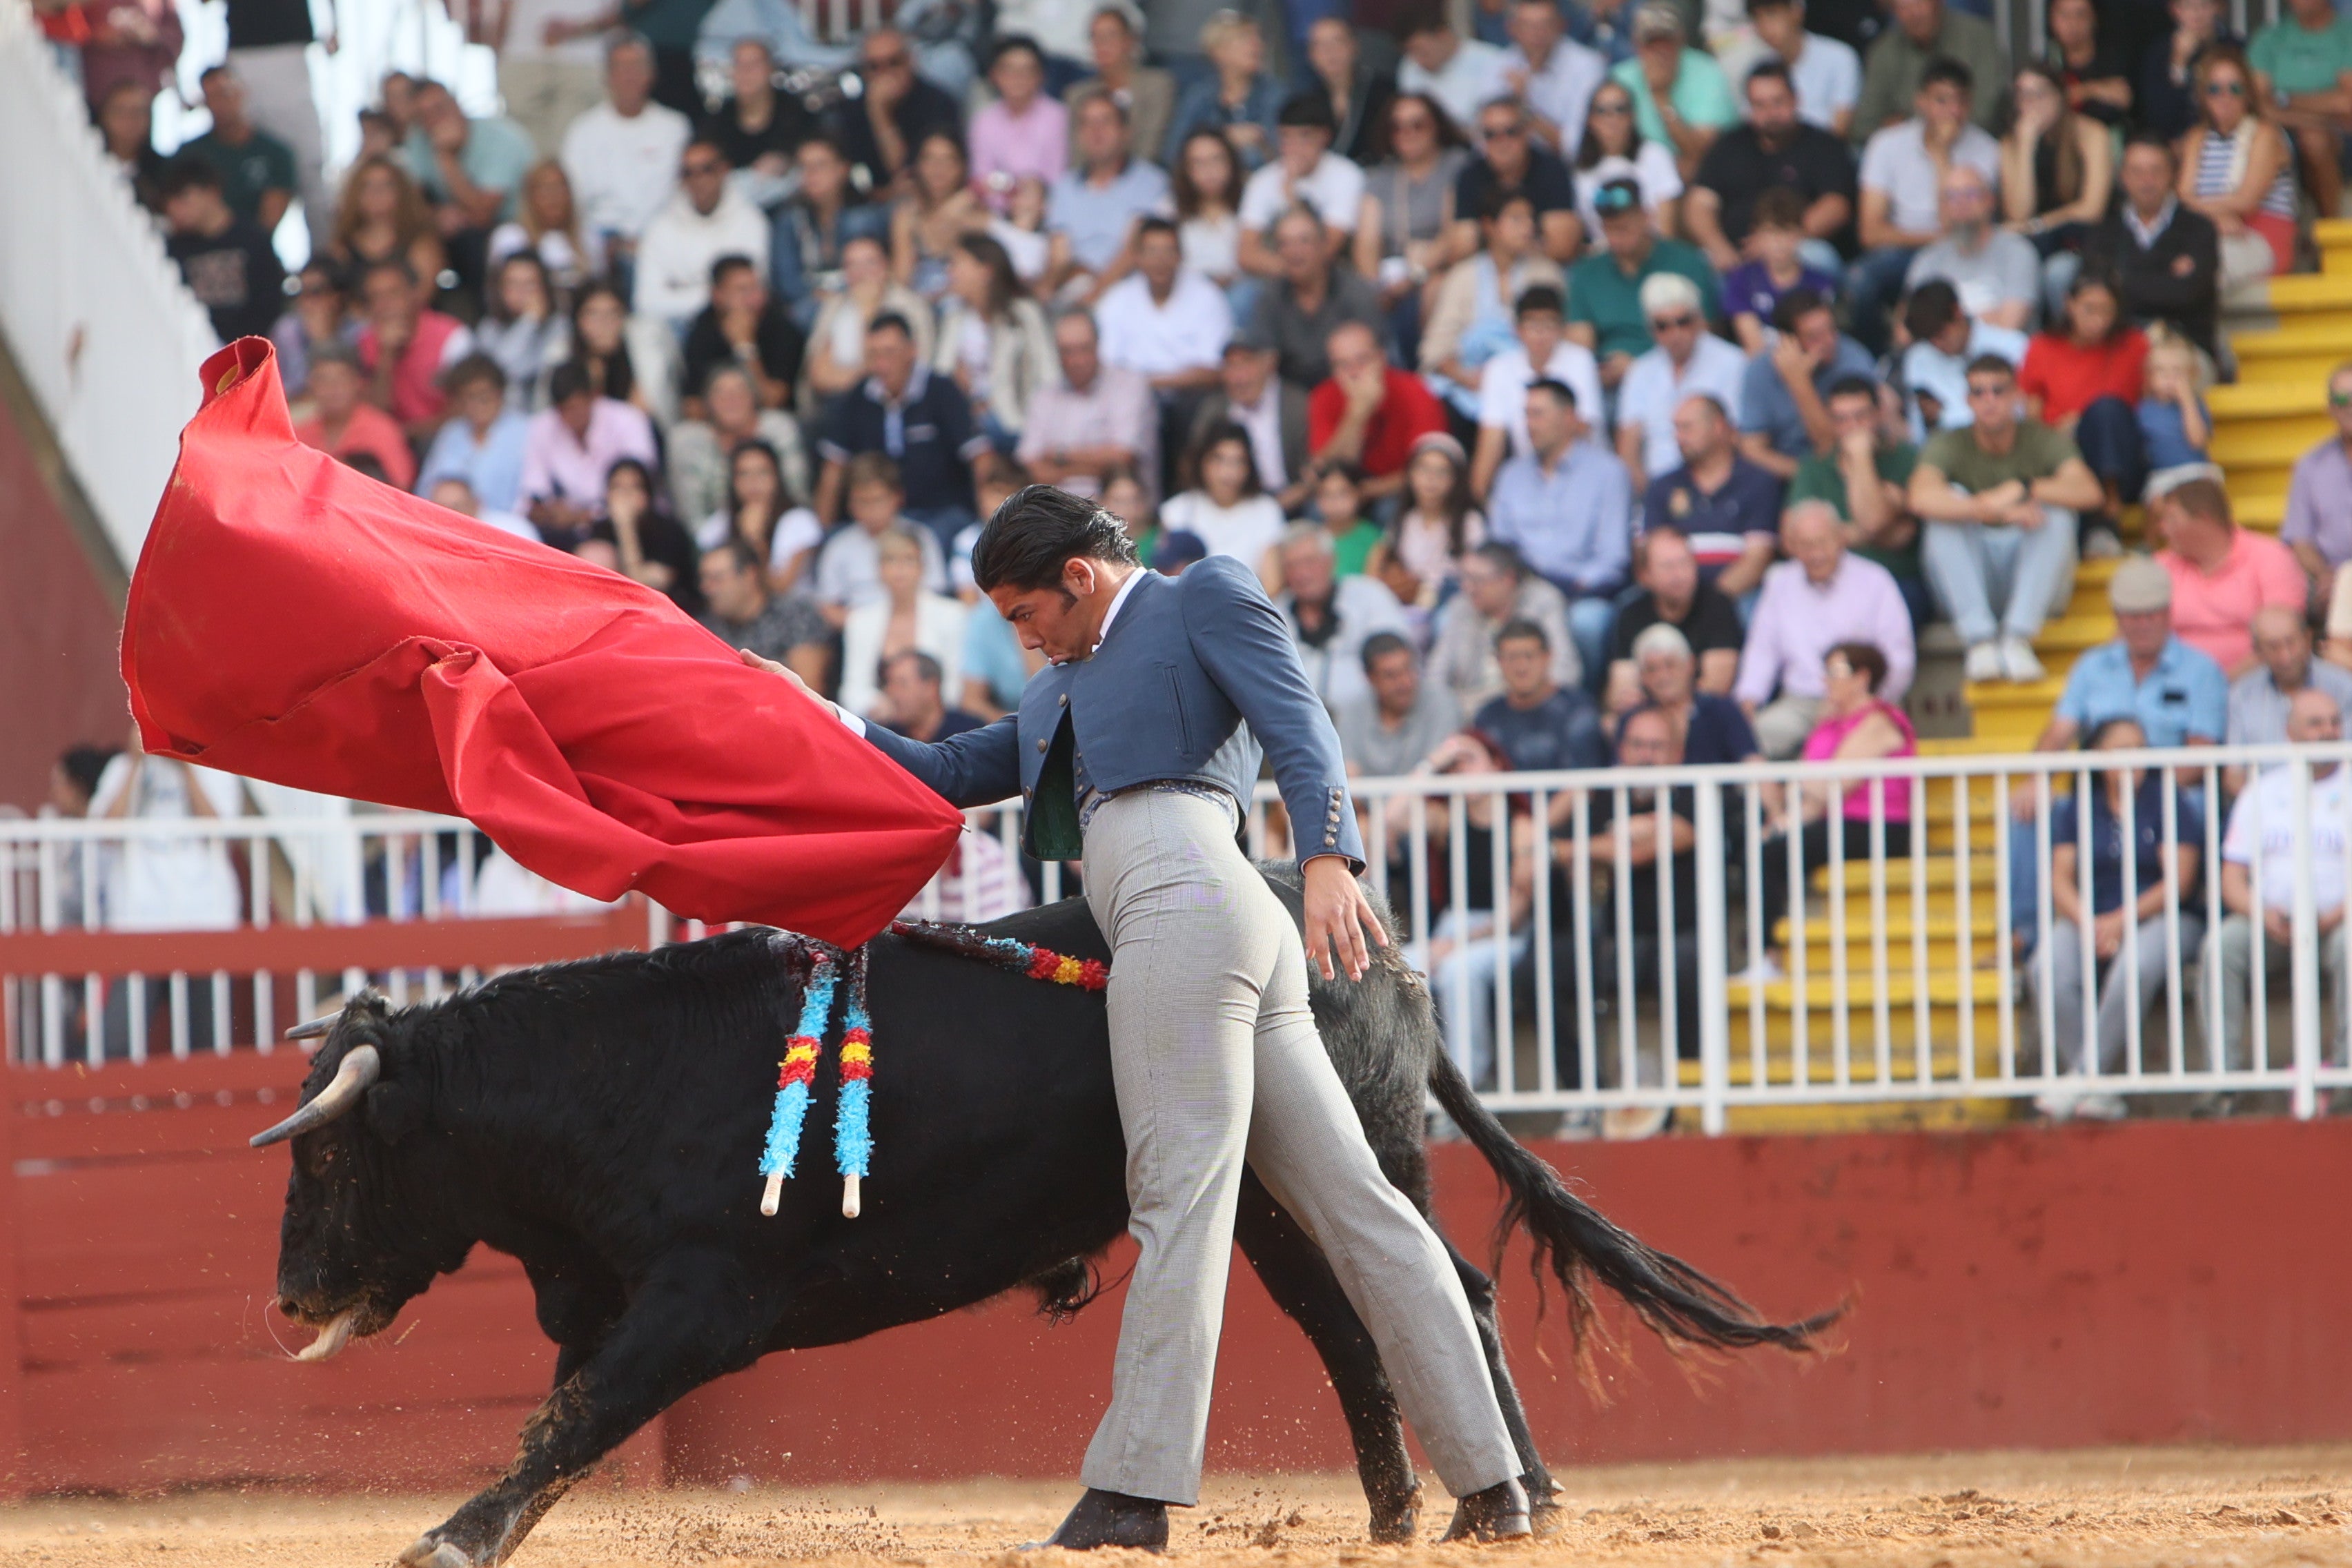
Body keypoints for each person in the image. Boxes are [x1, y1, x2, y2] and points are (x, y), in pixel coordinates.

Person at [745, 484, 1537, 1553]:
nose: (1026, 639)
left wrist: (1327, 859)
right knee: (1361, 1207)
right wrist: (815, 712)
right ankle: (1496, 1482)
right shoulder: (1058, 687)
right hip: (1209, 916)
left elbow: (1298, 719)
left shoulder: (1198, 596)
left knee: (1178, 1199)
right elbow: (942, 771)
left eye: (1028, 613)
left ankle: (1132, 1495)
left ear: (1079, 575)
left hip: (1184, 899)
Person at [2033, 716, 2206, 1120]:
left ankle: (2082, 1077)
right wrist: (2091, 923)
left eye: (2140, 750)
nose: (2134, 759)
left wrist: (2120, 921)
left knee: (2135, 967)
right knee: (2047, 968)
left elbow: (2178, 883)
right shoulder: (2079, 805)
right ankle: (2100, 1090)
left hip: (2161, 918)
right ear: (2097, 756)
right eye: (2122, 750)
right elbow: (2060, 878)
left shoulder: (2167, 800)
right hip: (2092, 918)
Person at [1909, 353, 2103, 683]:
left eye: (1998, 391)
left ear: (2016, 396)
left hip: (2034, 586)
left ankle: (2017, 638)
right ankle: (1980, 641)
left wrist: (2024, 487)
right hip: (1973, 582)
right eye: (1979, 392)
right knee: (1943, 518)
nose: (1989, 401)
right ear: (1968, 400)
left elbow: (2089, 492)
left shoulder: (2041, 437)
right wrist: (1991, 508)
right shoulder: (1949, 442)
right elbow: (1920, 497)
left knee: (2057, 514)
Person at [1746, 639, 1917, 979]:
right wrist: (1782, 823)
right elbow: (1817, 791)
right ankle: (1768, 953)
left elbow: (1828, 785)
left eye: (1836, 672)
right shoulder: (1829, 724)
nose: (1826, 680)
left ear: (1862, 678)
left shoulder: (1880, 721)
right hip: (1838, 821)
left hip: (1879, 826)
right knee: (1761, 844)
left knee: (1773, 853)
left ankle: (1770, 955)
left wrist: (1795, 795)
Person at [2202, 689, 2352, 1075]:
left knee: (2350, 945)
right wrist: (2263, 914)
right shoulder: (2262, 791)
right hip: (2270, 923)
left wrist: (2335, 915)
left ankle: (2345, 1072)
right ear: (2290, 733)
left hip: (2339, 921)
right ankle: (2224, 1077)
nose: (2329, 732)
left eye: (2335, 722)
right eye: (2316, 724)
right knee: (2221, 947)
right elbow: (2232, 878)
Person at [86, 727, 246, 1055]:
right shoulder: (121, 768)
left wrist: (186, 763)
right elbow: (106, 832)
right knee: (119, 1040)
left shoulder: (217, 768)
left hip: (203, 918)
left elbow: (220, 830)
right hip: (136, 920)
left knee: (206, 1040)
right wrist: (135, 763)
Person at [1733, 501, 1913, 756]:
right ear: (1792, 547)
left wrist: (1860, 702)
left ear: (1841, 539)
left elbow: (1899, 657)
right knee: (1749, 740)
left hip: (1863, 703)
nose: (1815, 554)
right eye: (1806, 545)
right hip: (1800, 704)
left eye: (1822, 543)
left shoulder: (1875, 580)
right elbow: (1762, 652)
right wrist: (1748, 701)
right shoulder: (1780, 582)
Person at [1487, 379, 1634, 678]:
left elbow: (1613, 557)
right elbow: (1498, 550)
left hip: (1579, 594)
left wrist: (1572, 585)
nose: (1529, 425)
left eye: (1538, 414)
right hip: (1521, 591)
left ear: (1569, 418)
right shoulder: (1510, 475)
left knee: (1588, 623)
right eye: (1526, 414)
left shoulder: (1608, 472)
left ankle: (1582, 700)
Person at [1850, 57, 1999, 351]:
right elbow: (1870, 232)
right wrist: (1934, 239)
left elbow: (1957, 224)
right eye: (1942, 101)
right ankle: (1877, 357)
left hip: (1964, 247)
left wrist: (1942, 156)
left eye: (1961, 101)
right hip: (1904, 250)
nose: (1953, 111)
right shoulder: (1886, 144)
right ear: (1921, 101)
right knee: (1860, 280)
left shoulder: (1987, 149)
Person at [813, 312, 986, 543]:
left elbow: (980, 456)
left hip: (939, 512)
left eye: (889, 353)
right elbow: (833, 471)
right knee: (838, 544)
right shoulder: (856, 398)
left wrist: (989, 522)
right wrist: (821, 536)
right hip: (874, 518)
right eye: (873, 355)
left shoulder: (942, 392)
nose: (881, 364)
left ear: (912, 350)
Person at [1788, 374, 1930, 625]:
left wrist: (1861, 457)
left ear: (1878, 414)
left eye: (1860, 416)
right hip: (1828, 578)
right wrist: (1878, 531)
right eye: (1841, 419)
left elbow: (1887, 527)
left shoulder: (1906, 459)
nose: (1852, 427)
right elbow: (1791, 538)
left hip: (1895, 578)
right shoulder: (1814, 467)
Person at [1420, 191, 1565, 425]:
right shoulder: (1463, 275)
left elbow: (1555, 341)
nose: (1527, 227)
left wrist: (1508, 379)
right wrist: (1467, 379)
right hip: (1469, 384)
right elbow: (1437, 349)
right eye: (1516, 219)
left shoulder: (1547, 274)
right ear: (1489, 226)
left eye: (1529, 219)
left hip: (1530, 384)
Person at [560, 36, 695, 284]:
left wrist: (650, 240)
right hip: (600, 245)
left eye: (636, 67)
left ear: (651, 74)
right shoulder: (582, 131)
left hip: (661, 241)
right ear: (607, 76)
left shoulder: (675, 128)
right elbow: (573, 200)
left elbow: (683, 194)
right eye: (620, 68)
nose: (629, 76)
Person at [1564, 178, 1720, 391]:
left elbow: (1701, 338)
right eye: (1609, 229)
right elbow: (1580, 349)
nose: (1616, 237)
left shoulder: (1688, 262)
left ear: (1647, 217)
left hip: (1679, 377)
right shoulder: (1587, 273)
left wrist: (1639, 369)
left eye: (1624, 228)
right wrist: (1601, 371)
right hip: (1610, 387)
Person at [2018, 271, 2150, 518]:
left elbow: (2153, 397)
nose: (2098, 320)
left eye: (2107, 311)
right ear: (2069, 304)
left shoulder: (2134, 344)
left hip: (2123, 455)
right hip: (2064, 455)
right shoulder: (2043, 346)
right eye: (2090, 309)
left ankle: (2110, 502)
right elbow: (2032, 418)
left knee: (2106, 411)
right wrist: (2058, 435)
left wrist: (2081, 420)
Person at [2079, 134, 2222, 360]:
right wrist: (2167, 279)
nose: (2147, 181)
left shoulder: (2200, 228)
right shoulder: (2103, 231)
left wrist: (2121, 281)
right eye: (2137, 172)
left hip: (2186, 348)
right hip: (2118, 348)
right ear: (2123, 177)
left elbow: (2189, 295)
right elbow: (2096, 295)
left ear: (2173, 174)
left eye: (2156, 171)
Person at [2150, 473, 2306, 678]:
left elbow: (2283, 641)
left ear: (2204, 518)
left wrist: (2219, 685)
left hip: (2258, 683)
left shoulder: (2271, 557)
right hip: (2171, 683)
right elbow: (2133, 634)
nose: (2163, 529)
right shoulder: (2160, 566)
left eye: (2172, 519)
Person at [1358, 95, 1475, 357]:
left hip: (1437, 269)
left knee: (1434, 290)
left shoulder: (1456, 165)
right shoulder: (1379, 177)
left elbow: (1452, 233)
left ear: (1436, 126)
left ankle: (1424, 365)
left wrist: (1413, 277)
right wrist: (1375, 286)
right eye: (1397, 127)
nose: (1407, 134)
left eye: (1417, 125)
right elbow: (1366, 243)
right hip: (1390, 277)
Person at [403, 79, 537, 295]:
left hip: (514, 228)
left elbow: (483, 214)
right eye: (424, 116)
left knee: (477, 241)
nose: (435, 120)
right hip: (454, 231)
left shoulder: (501, 139)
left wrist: (446, 158)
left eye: (439, 109)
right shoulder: (418, 140)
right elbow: (410, 202)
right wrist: (435, 215)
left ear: (456, 105)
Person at [1644, 393, 1785, 598]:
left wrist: (1710, 606)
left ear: (1718, 427)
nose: (1679, 437)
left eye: (1687, 428)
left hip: (1739, 598)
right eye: (1676, 429)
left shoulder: (1758, 483)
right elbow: (1651, 558)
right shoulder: (1662, 486)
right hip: (1674, 600)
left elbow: (1757, 560)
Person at [1998, 60, 2113, 311]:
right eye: (2024, 96)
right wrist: (2026, 147)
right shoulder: (2011, 143)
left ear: (2060, 96)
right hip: (2035, 245)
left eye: (2040, 94)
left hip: (2081, 242)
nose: (2032, 104)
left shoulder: (2092, 133)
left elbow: (2092, 209)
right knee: (2015, 272)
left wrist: (2039, 225)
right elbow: (2018, 213)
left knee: (2057, 273)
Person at [2178, 45, 2298, 285]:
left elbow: (2246, 200)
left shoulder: (2265, 134)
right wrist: (2215, 220)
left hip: (2261, 236)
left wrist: (2205, 214)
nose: (2225, 97)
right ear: (2203, 96)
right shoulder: (2196, 137)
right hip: (2211, 234)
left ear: (2248, 94)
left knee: (2202, 269)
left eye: (2235, 88)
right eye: (2214, 89)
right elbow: (2183, 196)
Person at [1615, 275, 1747, 490]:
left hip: (1717, 487)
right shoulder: (1640, 371)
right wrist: (1652, 497)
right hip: (1655, 489)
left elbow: (1735, 437)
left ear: (1700, 320)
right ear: (1651, 330)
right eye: (1663, 326)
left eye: (1683, 322)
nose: (1674, 333)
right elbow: (1628, 448)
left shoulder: (1732, 362)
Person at [1470, 284, 1603, 496]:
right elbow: (1491, 440)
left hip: (1582, 473)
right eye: (1532, 324)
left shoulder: (1581, 360)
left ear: (1562, 328)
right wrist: (1477, 495)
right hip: (1528, 475)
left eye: (1549, 324)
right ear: (1517, 330)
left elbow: (1582, 430)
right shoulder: (1498, 368)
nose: (1540, 334)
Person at [1017, 308, 1162, 502]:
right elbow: (1030, 465)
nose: (1076, 360)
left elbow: (1123, 459)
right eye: (1067, 351)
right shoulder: (1045, 396)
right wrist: (1095, 466)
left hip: (1118, 510)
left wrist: (1059, 456)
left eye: (1084, 348)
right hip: (1055, 510)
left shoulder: (1130, 386)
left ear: (1098, 345)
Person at [217, 0, 329, 246]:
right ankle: (247, 253)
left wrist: (332, 22)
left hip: (291, 47)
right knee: (243, 161)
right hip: (245, 47)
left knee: (310, 168)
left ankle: (324, 257)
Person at [932, 233, 1057, 451]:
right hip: (968, 420)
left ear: (985, 271)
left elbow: (1048, 373)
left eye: (957, 264)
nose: (950, 272)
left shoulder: (1024, 313)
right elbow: (940, 376)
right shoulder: (954, 319)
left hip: (1017, 421)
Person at [1048, 92, 1175, 301]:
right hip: (1074, 290)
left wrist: (1095, 295)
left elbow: (1135, 251)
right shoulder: (1064, 187)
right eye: (1087, 124)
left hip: (1133, 292)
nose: (1096, 131)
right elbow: (1059, 257)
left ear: (1125, 131)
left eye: (1105, 122)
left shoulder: (1153, 183)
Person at [1273, 522, 1414, 710]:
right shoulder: (1274, 613)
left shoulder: (1371, 596)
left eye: (1310, 562)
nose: (1302, 574)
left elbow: (1399, 660)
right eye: (1292, 566)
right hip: (1295, 720)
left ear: (1331, 560)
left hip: (1368, 719)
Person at [518, 361, 660, 545]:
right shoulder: (542, 427)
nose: (572, 416)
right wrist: (550, 512)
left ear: (593, 396)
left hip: (627, 524)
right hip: (567, 532)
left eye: (577, 407)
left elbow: (639, 491)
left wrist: (581, 516)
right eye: (565, 409)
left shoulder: (629, 420)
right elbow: (533, 497)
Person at [1604, 528, 1744, 714]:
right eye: (1668, 566)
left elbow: (1716, 687)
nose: (1679, 574)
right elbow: (1620, 690)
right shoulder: (1631, 613)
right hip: (1646, 716)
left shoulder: (1718, 606)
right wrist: (1630, 704)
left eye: (1684, 563)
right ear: (1644, 575)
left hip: (1700, 715)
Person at [1738, 287, 1874, 476]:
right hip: (1786, 474)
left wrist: (1799, 382)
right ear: (1788, 341)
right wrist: (1805, 476)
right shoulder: (1760, 370)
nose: (1828, 341)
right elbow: (1752, 449)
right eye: (1814, 337)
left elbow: (1833, 449)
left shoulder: (1853, 360)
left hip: (1847, 470)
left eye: (1831, 330)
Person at [1249, 206, 1387, 390]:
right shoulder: (1270, 295)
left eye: (1304, 241)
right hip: (1292, 396)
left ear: (1323, 246)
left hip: (1348, 390)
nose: (1294, 251)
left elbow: (1374, 359)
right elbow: (1264, 359)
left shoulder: (1356, 292)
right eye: (1284, 243)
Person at [1311, 320, 1449, 504]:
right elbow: (1327, 471)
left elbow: (1429, 468)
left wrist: (1367, 492)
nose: (1354, 372)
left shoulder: (1415, 391)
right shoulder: (1324, 396)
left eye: (1362, 360)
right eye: (1343, 365)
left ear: (1382, 357)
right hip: (1343, 495)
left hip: (1402, 489)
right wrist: (1357, 415)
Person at [839, 527, 970, 718]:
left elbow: (955, 686)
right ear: (879, 569)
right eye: (891, 560)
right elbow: (852, 689)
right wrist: (883, 705)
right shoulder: (859, 621)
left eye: (908, 560)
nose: (899, 569)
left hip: (937, 723)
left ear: (922, 567)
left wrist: (915, 707)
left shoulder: (953, 615)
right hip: (880, 720)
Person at [1096, 217, 1233, 398]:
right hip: (1131, 398)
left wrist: (1148, 383)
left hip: (1190, 396)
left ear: (1181, 255)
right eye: (1152, 251)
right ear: (1137, 257)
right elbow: (1106, 366)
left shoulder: (1208, 297)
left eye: (1168, 251)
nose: (1160, 260)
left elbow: (1213, 370)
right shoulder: (1116, 299)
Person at [1431, 541, 1580, 706]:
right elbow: (1436, 675)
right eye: (1464, 578)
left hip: (1527, 706)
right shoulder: (1461, 607)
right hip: (1466, 708)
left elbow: (1565, 671)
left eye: (1477, 580)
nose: (1468, 587)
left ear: (1508, 579)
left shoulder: (1543, 602)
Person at [159, 157, 285, 345]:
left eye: (183, 198)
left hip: (248, 349)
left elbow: (270, 302)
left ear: (211, 192)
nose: (175, 208)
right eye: (169, 201)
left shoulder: (253, 240)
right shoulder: (173, 249)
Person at [1904, 162, 2041, 333]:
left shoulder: (2018, 252)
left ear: (1990, 200)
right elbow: (1906, 331)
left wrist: (1942, 324)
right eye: (1952, 196)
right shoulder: (1928, 259)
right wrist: (1987, 316)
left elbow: (2008, 328)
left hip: (1996, 350)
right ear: (1943, 206)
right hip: (1938, 350)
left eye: (1971, 194)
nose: (1961, 202)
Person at [812, 452, 951, 619]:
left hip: (917, 626)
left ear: (898, 497)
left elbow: (936, 593)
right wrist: (865, 625)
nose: (871, 510)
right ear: (849, 503)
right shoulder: (838, 546)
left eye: (878, 500)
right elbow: (827, 606)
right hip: (858, 627)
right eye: (863, 501)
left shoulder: (921, 537)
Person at [2248, 0, 2352, 223]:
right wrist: (2318, 114)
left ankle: (2331, 227)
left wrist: (2285, 98)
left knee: (2314, 139)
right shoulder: (2270, 38)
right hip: (2281, 131)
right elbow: (2257, 104)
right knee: (2297, 136)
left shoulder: (2346, 34)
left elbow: (2347, 103)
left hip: (2342, 134)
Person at [1609, 3, 1740, 180]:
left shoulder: (1708, 72)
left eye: (1667, 43)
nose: (1660, 53)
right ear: (1637, 45)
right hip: (1639, 170)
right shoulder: (1620, 79)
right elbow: (1610, 146)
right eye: (1652, 44)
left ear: (1681, 41)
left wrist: (1661, 97)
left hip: (1704, 173)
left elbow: (1701, 152)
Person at [669, 362, 808, 526]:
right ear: (707, 402)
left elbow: (796, 493)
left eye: (739, 391)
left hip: (782, 526)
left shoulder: (780, 429)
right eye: (720, 393)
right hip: (717, 534)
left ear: (754, 397)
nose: (731, 399)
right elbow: (692, 516)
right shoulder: (688, 442)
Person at [2227, 606, 2352, 788]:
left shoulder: (2344, 686)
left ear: (2307, 638)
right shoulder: (2242, 695)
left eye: (2291, 642)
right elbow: (2234, 775)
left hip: (2339, 798)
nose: (2285, 656)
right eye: (2273, 647)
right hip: (2265, 801)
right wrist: (2265, 801)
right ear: (2258, 652)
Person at [355, 257, 478, 441]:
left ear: (414, 294)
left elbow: (466, 409)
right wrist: (386, 356)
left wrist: (407, 434)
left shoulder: (453, 337)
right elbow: (374, 413)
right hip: (389, 443)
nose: (385, 305)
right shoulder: (365, 341)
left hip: (446, 439)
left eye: (393, 294)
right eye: (376, 297)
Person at [1239, 95, 1369, 269]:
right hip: (1275, 276)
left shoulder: (1346, 175)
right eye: (1286, 137)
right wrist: (1294, 270)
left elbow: (1329, 247)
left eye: (1304, 136)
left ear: (1324, 136)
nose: (1295, 147)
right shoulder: (1262, 180)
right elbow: (1246, 254)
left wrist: (1292, 197)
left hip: (1331, 274)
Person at [770, 136, 888, 327]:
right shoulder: (789, 220)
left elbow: (868, 274)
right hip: (808, 304)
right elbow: (787, 282)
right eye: (803, 167)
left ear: (842, 169)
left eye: (820, 166)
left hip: (857, 299)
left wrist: (835, 296)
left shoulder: (864, 217)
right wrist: (815, 296)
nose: (811, 174)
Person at [804, 234, 934, 406]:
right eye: (852, 265)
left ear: (886, 266)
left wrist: (868, 314)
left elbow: (916, 370)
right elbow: (818, 376)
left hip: (897, 404)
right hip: (836, 404)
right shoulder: (833, 307)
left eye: (870, 263)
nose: (861, 273)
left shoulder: (911, 307)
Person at [828, 26, 962, 194]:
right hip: (870, 200)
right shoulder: (851, 110)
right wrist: (876, 109)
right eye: (874, 66)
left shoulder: (938, 103)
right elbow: (849, 175)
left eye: (894, 62)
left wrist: (881, 114)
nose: (885, 73)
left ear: (911, 61)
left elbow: (910, 175)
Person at [1850, 0, 2009, 139]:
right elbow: (1864, 125)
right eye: (1903, 7)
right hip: (1905, 151)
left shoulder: (1978, 37)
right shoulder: (1883, 50)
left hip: (1973, 143)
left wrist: (1912, 125)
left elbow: (1987, 111)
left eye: (1920, 3)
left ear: (1938, 2)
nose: (1915, 14)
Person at [1193, 335, 1313, 515]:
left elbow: (1313, 468)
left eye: (1247, 363)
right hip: (1232, 505)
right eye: (1231, 366)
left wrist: (1281, 503)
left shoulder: (1298, 403)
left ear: (1269, 364)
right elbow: (1196, 460)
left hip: (1292, 503)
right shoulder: (1213, 409)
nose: (1239, 377)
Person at [1453, 97, 1582, 266]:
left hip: (1544, 266)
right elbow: (1461, 247)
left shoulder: (1551, 169)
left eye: (1511, 132)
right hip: (1487, 269)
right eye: (1490, 134)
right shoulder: (1471, 174)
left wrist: (1504, 246)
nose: (1502, 142)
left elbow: (1562, 246)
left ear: (1527, 132)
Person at [696, 529, 832, 685]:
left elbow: (810, 687)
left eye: (717, 579)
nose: (706, 588)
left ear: (749, 575)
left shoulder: (795, 615)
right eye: (704, 579)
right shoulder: (707, 628)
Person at [1473, 618, 1611, 772]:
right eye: (1512, 657)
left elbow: (1587, 775)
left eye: (1529, 656)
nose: (1521, 667)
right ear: (1499, 661)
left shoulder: (1578, 710)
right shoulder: (1488, 717)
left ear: (1548, 656)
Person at [1899, 279, 2030, 438]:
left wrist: (1947, 415)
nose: (1938, 345)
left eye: (1941, 335)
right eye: (1930, 340)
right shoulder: (1918, 359)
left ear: (1957, 313)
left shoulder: (2013, 347)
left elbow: (2020, 412)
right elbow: (1919, 432)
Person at [1718, 189, 1842, 355]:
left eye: (1787, 232)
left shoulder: (1821, 283)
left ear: (1801, 234)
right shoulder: (1742, 280)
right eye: (1771, 233)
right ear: (1757, 235)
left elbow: (1826, 341)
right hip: (1763, 364)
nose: (1779, 243)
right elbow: (1754, 347)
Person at [179, 65, 297, 235]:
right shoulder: (188, 155)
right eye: (212, 97)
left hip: (254, 245)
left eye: (225, 94)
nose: (221, 104)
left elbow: (270, 220)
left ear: (242, 92)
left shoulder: (275, 154)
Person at [681, 253, 804, 414]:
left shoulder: (780, 327)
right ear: (718, 295)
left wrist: (745, 348)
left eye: (757, 289)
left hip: (766, 418)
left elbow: (773, 399)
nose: (754, 299)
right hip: (716, 420)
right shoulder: (703, 330)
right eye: (742, 290)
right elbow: (692, 405)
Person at [1622, 621, 1761, 761]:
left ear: (1690, 664)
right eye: (1652, 669)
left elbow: (1752, 761)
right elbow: (1618, 768)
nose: (1662, 676)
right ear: (1642, 677)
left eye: (1670, 665)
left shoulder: (1723, 711)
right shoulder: (1633, 719)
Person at [1160, 422, 1288, 572]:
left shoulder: (1266, 510)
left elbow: (1271, 581)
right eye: (1219, 460)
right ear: (1202, 461)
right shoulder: (1177, 511)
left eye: (1238, 461)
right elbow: (1169, 576)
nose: (1228, 473)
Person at [1166, 8, 1284, 170]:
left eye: (1258, 38)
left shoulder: (1275, 94)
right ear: (1218, 51)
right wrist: (1225, 138)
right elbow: (1173, 153)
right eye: (1245, 38)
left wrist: (1262, 142)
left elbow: (1284, 156)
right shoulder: (1198, 96)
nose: (1257, 45)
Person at [696, 39, 812, 204]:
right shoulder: (717, 121)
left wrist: (786, 161)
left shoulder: (798, 115)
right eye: (739, 64)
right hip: (732, 207)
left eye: (755, 64)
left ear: (770, 69)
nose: (747, 71)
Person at [1067, 5, 1177, 177]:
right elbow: (1078, 155)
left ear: (1130, 41)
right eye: (1096, 37)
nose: (1102, 45)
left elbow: (1150, 147)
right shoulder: (1078, 94)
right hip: (1092, 183)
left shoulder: (1157, 85)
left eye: (1110, 36)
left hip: (1141, 179)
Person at [1333, 631, 1464, 776]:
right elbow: (1349, 773)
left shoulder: (1441, 703)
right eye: (1391, 676)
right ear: (1370, 678)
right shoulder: (1352, 712)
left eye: (1409, 670)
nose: (1405, 682)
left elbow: (1439, 767)